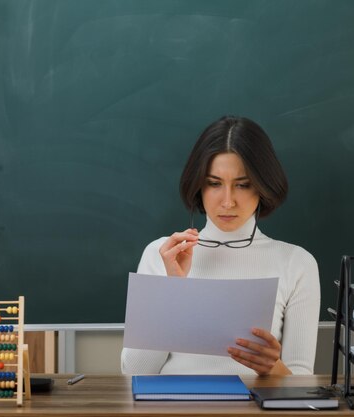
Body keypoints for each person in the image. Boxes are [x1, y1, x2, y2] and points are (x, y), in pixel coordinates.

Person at [121, 115, 320, 376]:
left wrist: (274, 369)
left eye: (243, 185)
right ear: (199, 187)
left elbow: (302, 385)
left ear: (262, 186)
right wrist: (171, 290)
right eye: (215, 184)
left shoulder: (297, 262)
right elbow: (134, 373)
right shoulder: (163, 254)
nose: (228, 202)